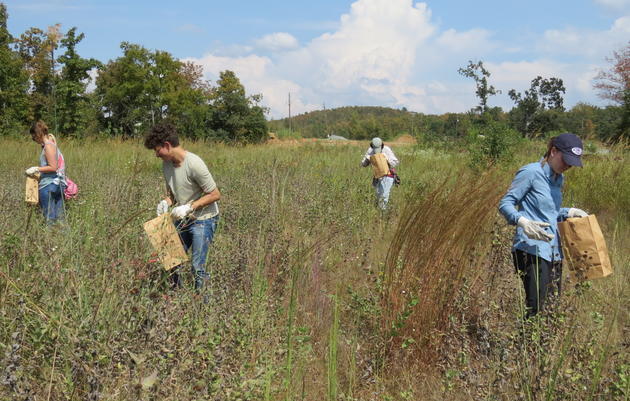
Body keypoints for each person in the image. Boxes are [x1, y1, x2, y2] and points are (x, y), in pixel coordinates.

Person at [499, 133, 588, 318]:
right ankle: (524, 346)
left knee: (551, 307)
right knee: (536, 308)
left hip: (553, 250)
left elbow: (550, 212)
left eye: (572, 162)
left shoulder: (558, 178)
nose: (568, 166)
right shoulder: (531, 172)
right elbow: (505, 203)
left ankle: (542, 346)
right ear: (553, 151)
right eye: (566, 160)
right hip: (531, 249)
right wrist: (522, 221)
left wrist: (569, 212)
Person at [144, 122, 221, 291]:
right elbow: (172, 193)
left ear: (167, 145)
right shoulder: (166, 164)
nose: (156, 155)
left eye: (157, 150)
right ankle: (175, 300)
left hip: (204, 219)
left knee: (197, 267)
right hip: (183, 218)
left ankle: (202, 307)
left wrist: (190, 207)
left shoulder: (194, 164)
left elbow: (215, 194)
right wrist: (166, 202)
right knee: (170, 259)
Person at [25, 120, 67, 223]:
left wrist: (36, 169)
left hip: (49, 185)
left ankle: (49, 238)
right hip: (58, 185)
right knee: (60, 219)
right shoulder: (52, 145)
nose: (33, 139)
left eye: (33, 136)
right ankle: (61, 237)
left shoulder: (48, 146)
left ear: (38, 134)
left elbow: (53, 167)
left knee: (50, 219)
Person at [361, 137, 399, 210]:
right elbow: (363, 164)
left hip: (388, 175)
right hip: (377, 176)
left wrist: (387, 159)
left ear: (382, 145)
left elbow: (395, 162)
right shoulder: (370, 150)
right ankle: (379, 212)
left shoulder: (386, 149)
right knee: (378, 195)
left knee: (384, 195)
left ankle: (383, 214)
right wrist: (367, 159)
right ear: (372, 146)